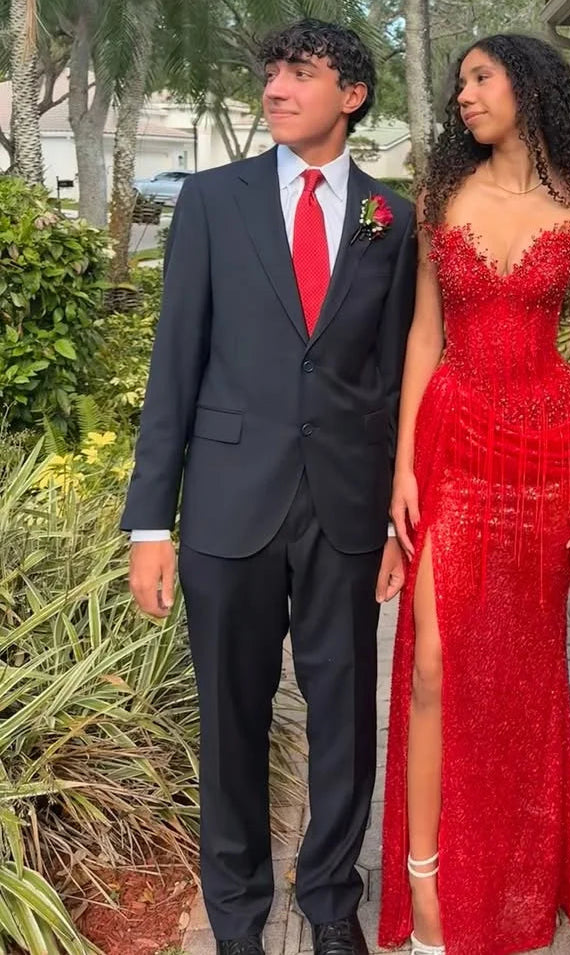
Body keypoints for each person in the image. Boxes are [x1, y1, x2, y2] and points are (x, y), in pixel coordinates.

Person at [121, 19, 416, 955]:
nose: (277, 89)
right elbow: (175, 361)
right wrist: (149, 524)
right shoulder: (214, 200)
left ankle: (330, 900)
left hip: (345, 507)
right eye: (272, 74)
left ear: (352, 96)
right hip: (227, 502)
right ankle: (238, 917)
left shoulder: (391, 217)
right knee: (231, 720)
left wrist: (398, 517)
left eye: (300, 73)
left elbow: (393, 375)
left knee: (344, 717)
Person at [378, 33, 570, 955]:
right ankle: (426, 884)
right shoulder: (443, 195)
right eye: (460, 83)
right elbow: (423, 337)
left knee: (519, 668)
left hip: (547, 449)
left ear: (532, 85)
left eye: (481, 77)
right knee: (434, 663)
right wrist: (403, 466)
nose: (465, 94)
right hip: (454, 439)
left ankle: (515, 870)